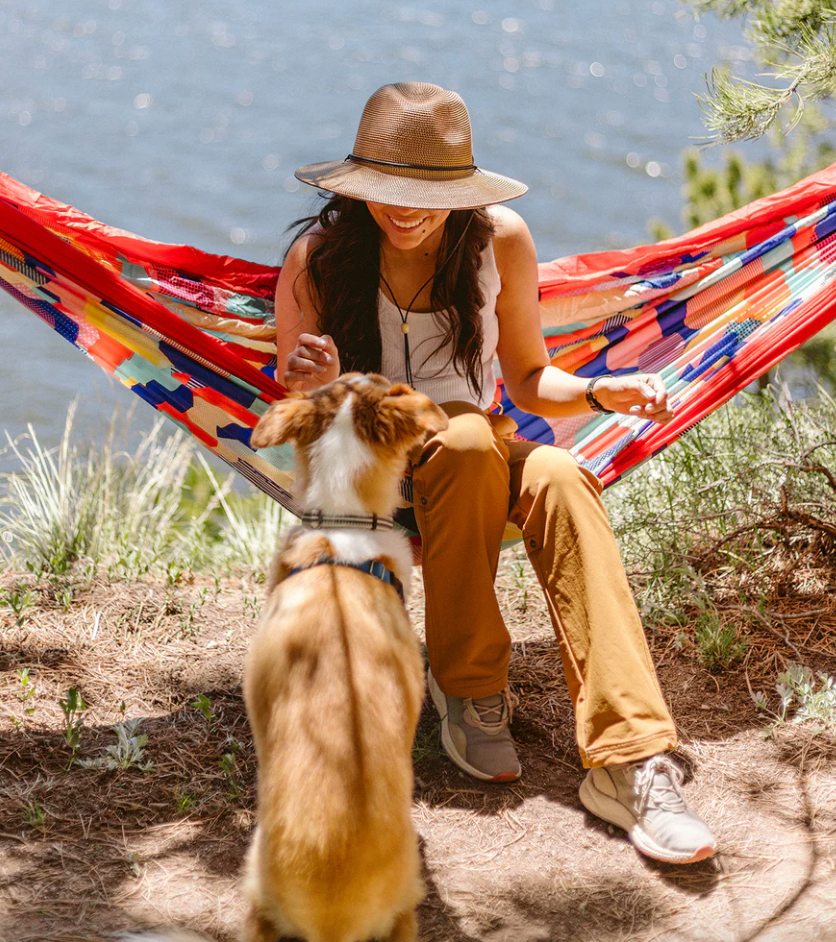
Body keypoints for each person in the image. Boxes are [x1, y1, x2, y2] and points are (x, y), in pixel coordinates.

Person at [273, 81, 716, 865]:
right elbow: (301, 399)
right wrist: (318, 378)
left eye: (425, 194)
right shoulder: (320, 258)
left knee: (562, 477)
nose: (402, 210)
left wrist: (593, 391)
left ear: (460, 192)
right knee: (474, 439)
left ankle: (631, 759)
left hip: (472, 456)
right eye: (385, 192)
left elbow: (528, 376)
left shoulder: (498, 240)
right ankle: (470, 687)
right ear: (358, 184)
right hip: (374, 469)